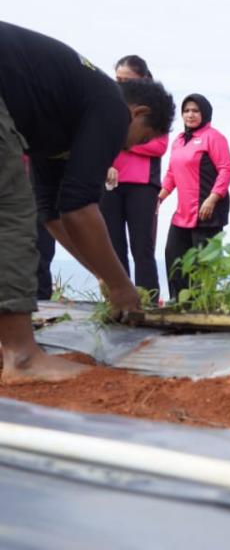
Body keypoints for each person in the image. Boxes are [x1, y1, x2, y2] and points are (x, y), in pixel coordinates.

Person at [0, 21, 173, 382]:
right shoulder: (111, 106)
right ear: (138, 113)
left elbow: (53, 212)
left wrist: (104, 276)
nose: (130, 148)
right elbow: (79, 208)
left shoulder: (61, 113)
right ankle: (22, 358)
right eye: (142, 138)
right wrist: (122, 286)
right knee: (10, 211)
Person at [100, 55, 169, 302]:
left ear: (143, 79)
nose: (120, 84)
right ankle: (119, 297)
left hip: (142, 185)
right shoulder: (108, 101)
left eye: (126, 79)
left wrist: (125, 144)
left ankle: (149, 301)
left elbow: (158, 145)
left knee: (142, 247)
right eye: (117, 79)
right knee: (114, 245)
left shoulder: (156, 105)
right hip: (110, 183)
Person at [158, 95, 230, 300]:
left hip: (207, 210)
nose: (190, 115)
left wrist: (212, 198)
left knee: (204, 264)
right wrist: (159, 198)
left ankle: (204, 304)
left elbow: (226, 170)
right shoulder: (178, 141)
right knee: (173, 256)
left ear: (204, 113)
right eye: (187, 111)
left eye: (195, 111)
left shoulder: (214, 137)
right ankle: (179, 302)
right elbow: (172, 174)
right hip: (183, 212)